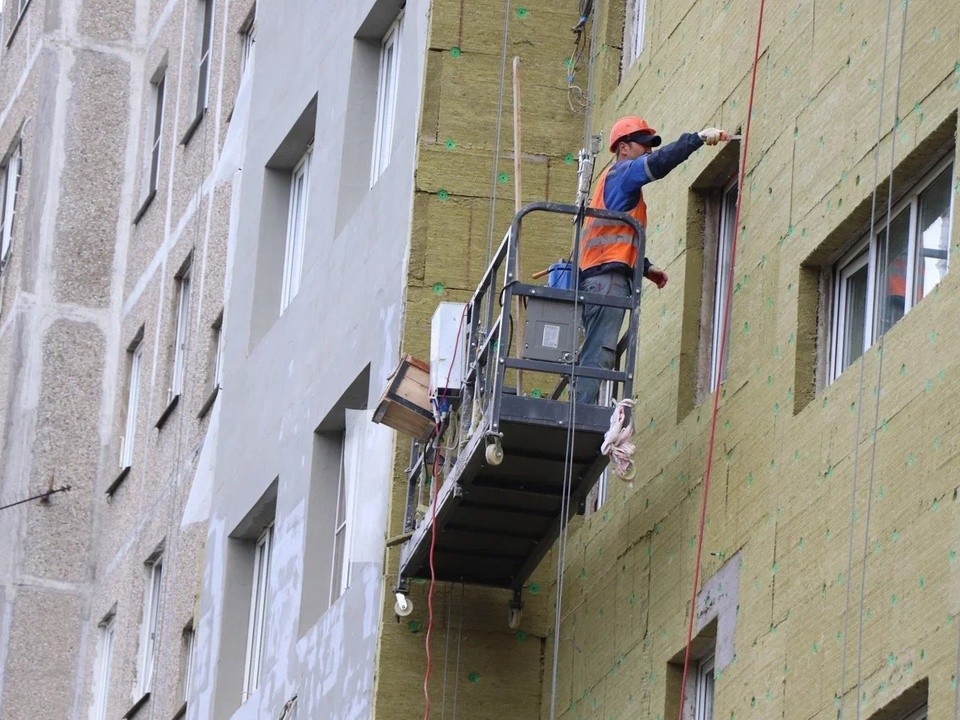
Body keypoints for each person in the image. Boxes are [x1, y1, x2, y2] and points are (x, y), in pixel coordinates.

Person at [576, 116, 730, 404]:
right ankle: (579, 413)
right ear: (623, 148)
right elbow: (658, 164)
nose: (647, 151)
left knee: (594, 349)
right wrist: (696, 138)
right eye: (643, 145)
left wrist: (645, 268)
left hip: (599, 279)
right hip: (608, 282)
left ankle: (579, 408)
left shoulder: (609, 184)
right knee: (600, 352)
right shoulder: (622, 173)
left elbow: (615, 235)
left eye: (650, 146)